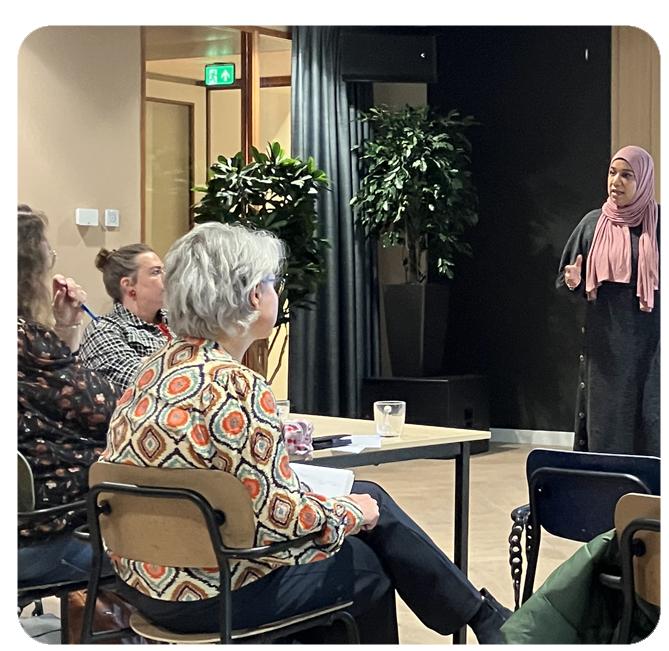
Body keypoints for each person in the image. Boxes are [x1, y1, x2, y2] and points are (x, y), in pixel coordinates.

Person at [102, 222, 511, 644]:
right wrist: (351, 514)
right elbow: (276, 522)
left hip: (144, 584)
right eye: (272, 282)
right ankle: (485, 619)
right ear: (253, 295)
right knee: (366, 561)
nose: (276, 291)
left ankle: (484, 618)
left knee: (366, 497)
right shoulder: (235, 386)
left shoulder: (151, 371)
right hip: (211, 593)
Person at [17, 205, 118, 584]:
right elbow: (109, 410)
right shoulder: (25, 341)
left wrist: (64, 328)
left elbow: (52, 393)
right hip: (40, 539)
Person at [557, 145, 660, 457]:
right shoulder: (593, 224)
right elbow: (565, 281)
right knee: (607, 425)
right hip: (607, 350)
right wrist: (574, 281)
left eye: (627, 175)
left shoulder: (660, 225)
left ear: (643, 180)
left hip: (653, 345)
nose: (616, 181)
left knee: (652, 422)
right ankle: (604, 485)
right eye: (613, 172)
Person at [79, 244, 173, 393]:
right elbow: (140, 383)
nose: (166, 277)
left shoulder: (178, 320)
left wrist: (152, 362)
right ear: (128, 285)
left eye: (163, 270)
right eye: (156, 272)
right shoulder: (104, 330)